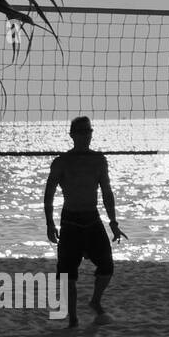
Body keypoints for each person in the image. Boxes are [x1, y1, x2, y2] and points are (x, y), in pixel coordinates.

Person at [43, 116, 126, 326]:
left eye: (87, 132)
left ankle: (95, 301)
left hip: (92, 218)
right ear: (72, 135)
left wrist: (114, 223)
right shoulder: (62, 161)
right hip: (70, 220)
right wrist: (49, 223)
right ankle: (73, 319)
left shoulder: (98, 159)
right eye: (80, 132)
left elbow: (107, 192)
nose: (85, 136)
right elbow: (49, 193)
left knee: (107, 266)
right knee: (67, 274)